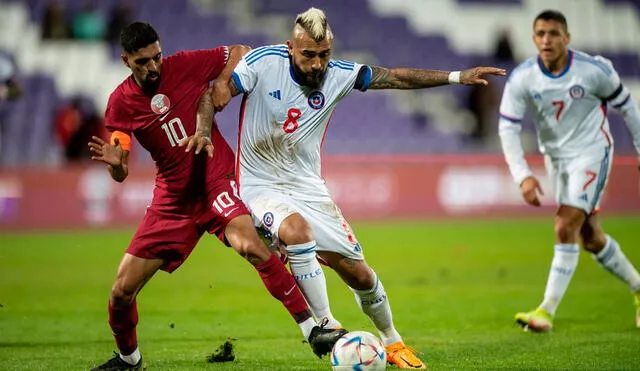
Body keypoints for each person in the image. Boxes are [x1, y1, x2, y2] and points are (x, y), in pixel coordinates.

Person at [188, 8, 505, 369]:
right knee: (297, 231)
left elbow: (396, 78)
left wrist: (456, 76)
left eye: (324, 55)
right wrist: (202, 128)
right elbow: (212, 93)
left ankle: (394, 344)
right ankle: (327, 326)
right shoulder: (263, 63)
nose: (317, 64)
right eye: (308, 55)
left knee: (361, 275)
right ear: (292, 47)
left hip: (308, 186)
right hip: (259, 183)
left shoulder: (340, 74)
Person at [88, 22, 345, 371]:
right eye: (142, 62)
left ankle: (312, 329)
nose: (153, 67)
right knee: (121, 290)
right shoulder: (120, 103)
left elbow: (239, 52)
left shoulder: (184, 64)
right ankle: (129, 360)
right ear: (125, 61)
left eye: (156, 57)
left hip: (215, 180)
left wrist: (222, 84)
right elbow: (120, 167)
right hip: (173, 201)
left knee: (252, 247)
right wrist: (117, 165)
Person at [498, 10, 640, 332]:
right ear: (534, 38)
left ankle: (546, 310)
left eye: (553, 33)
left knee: (565, 224)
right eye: (540, 34)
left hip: (592, 152)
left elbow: (627, 106)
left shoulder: (594, 71)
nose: (546, 40)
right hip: (556, 159)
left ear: (567, 38)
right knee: (590, 237)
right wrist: (523, 175)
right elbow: (507, 128)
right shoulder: (522, 78)